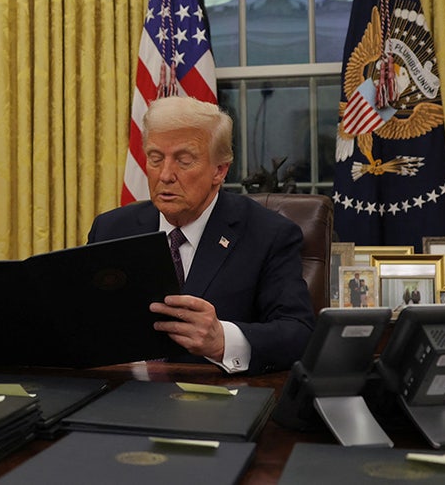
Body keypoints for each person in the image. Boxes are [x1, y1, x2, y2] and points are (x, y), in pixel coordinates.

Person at [87, 95, 314, 374]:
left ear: (219, 170)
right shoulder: (111, 230)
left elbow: (298, 333)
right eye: (155, 159)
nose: (165, 175)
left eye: (184, 161)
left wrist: (223, 340)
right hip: (120, 394)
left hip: (216, 401)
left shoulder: (268, 234)